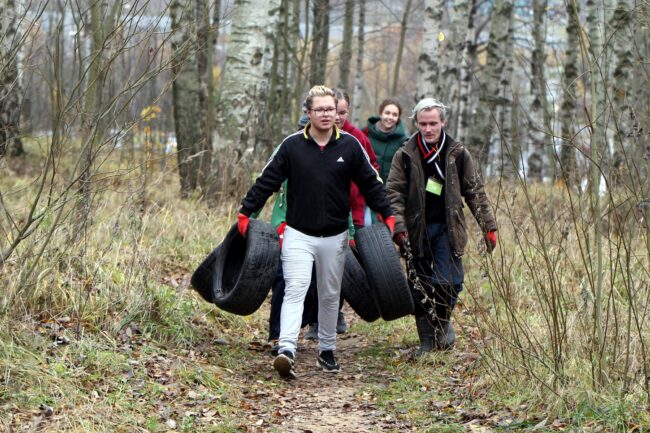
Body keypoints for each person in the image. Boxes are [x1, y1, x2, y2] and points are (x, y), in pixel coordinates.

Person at [237, 85, 395, 379]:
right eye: (319, 109)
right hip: (298, 234)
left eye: (331, 109)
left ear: (338, 113)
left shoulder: (349, 146)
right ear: (308, 113)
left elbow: (371, 184)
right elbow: (267, 181)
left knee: (329, 294)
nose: (326, 114)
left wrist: (388, 215)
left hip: (334, 237)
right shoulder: (292, 146)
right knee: (295, 289)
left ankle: (327, 350)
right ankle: (286, 349)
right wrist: (247, 212)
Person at [386, 98, 497, 356]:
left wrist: (488, 226)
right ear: (416, 123)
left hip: (449, 228)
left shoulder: (458, 153)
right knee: (419, 285)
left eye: (433, 123)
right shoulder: (405, 154)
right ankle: (427, 343)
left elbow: (474, 191)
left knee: (450, 281)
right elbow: (393, 193)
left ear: (442, 122)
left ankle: (441, 326)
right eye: (423, 124)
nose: (428, 129)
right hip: (416, 230)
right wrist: (399, 228)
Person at [363, 98, 409, 184]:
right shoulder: (365, 133)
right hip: (366, 187)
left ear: (398, 118)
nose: (390, 117)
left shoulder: (404, 141)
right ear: (380, 113)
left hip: (389, 191)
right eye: (387, 113)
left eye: (395, 115)